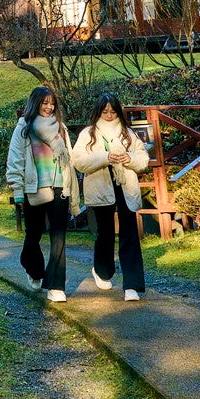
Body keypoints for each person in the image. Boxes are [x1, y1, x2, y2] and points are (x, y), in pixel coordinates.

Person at [6, 85, 80, 302]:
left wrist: (73, 189)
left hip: (60, 186)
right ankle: (34, 269)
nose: (49, 107)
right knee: (33, 235)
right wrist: (18, 191)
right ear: (35, 103)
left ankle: (56, 285)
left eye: (52, 103)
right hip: (34, 188)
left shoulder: (61, 129)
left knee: (59, 237)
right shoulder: (24, 128)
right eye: (44, 103)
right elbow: (15, 161)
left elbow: (70, 161)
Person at [71, 93, 148, 301]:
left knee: (129, 233)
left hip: (125, 186)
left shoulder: (127, 133)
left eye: (112, 111)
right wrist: (105, 157)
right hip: (100, 187)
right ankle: (102, 271)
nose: (109, 115)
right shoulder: (89, 134)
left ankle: (132, 285)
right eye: (105, 111)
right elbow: (78, 161)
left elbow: (143, 159)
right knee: (104, 234)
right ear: (98, 111)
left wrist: (128, 158)